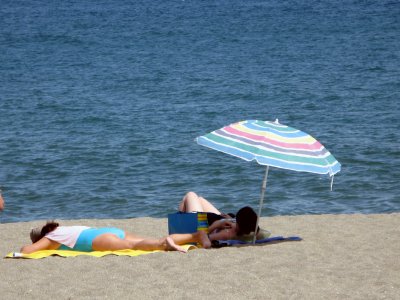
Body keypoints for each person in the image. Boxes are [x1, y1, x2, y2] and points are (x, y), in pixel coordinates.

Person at [21, 220, 211, 254]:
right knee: (141, 241)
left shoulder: (51, 237)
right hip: (109, 231)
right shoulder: (65, 229)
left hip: (98, 240)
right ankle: (196, 235)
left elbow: (26, 251)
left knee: (139, 246)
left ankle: (165, 244)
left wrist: (35, 245)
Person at [179, 191, 259, 242]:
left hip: (202, 223)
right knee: (200, 199)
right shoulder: (248, 229)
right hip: (216, 218)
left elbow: (203, 237)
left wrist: (217, 225)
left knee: (190, 195)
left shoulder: (227, 233)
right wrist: (231, 219)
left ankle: (181, 223)